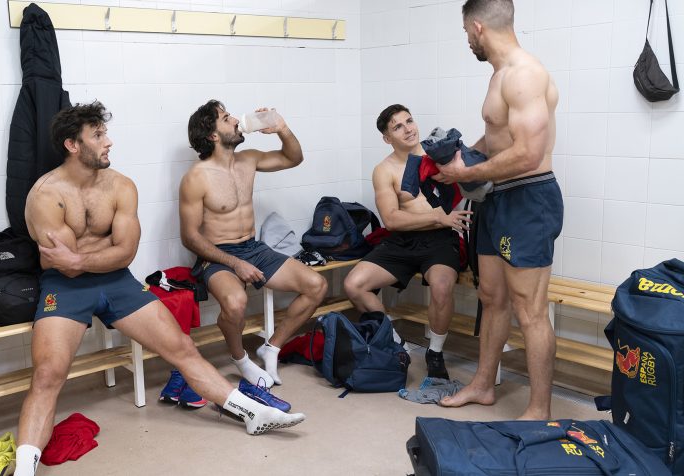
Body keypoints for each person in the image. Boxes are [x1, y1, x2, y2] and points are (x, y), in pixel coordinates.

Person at [13, 101, 305, 476]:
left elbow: (124, 253)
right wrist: (89, 258)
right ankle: (24, 470)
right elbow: (65, 266)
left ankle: (252, 414)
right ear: (73, 145)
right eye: (98, 135)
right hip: (65, 287)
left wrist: (83, 259)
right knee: (48, 375)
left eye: (105, 133)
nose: (108, 142)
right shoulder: (45, 195)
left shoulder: (121, 186)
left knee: (182, 347)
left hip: (116, 281)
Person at [433, 0, 563, 420]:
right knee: (491, 297)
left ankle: (539, 410)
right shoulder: (499, 75)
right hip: (496, 198)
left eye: (465, 33)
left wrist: (464, 175)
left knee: (530, 308)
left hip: (527, 198)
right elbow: (497, 138)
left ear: (477, 27)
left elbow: (528, 154)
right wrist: (460, 158)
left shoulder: (525, 75)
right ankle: (483, 385)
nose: (467, 41)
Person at [179, 100, 328, 389]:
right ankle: (241, 359)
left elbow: (293, 158)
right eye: (226, 118)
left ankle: (271, 347)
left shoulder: (248, 160)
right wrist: (235, 263)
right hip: (219, 255)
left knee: (316, 285)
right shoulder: (196, 178)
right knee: (236, 303)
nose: (236, 120)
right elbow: (190, 237)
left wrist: (281, 128)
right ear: (212, 135)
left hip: (253, 247)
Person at [343, 105, 472, 380]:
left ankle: (434, 353)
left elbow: (472, 180)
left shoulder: (439, 156)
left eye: (409, 121)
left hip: (440, 239)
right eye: (397, 126)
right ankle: (393, 338)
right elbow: (391, 219)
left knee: (441, 286)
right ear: (387, 138)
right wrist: (437, 216)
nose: (408, 129)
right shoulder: (384, 170)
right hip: (402, 240)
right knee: (353, 284)